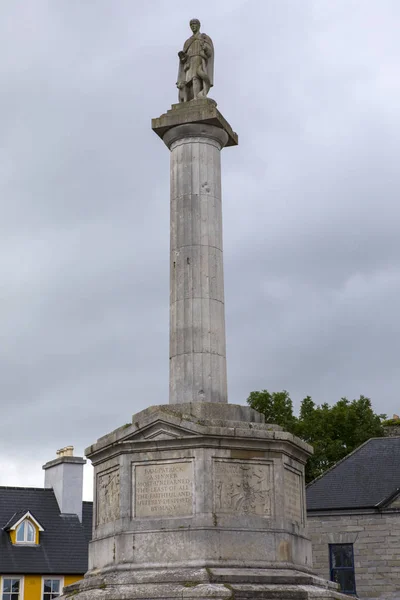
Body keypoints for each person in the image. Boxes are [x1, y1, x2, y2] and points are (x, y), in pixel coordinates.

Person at [177, 19, 214, 102]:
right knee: (187, 81)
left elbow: (209, 52)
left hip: (199, 59)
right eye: (191, 25)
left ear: (199, 26)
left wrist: (205, 48)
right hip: (189, 62)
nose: (193, 26)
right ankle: (187, 99)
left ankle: (197, 97)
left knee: (195, 78)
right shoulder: (187, 41)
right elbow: (184, 55)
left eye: (195, 24)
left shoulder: (203, 38)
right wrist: (183, 57)